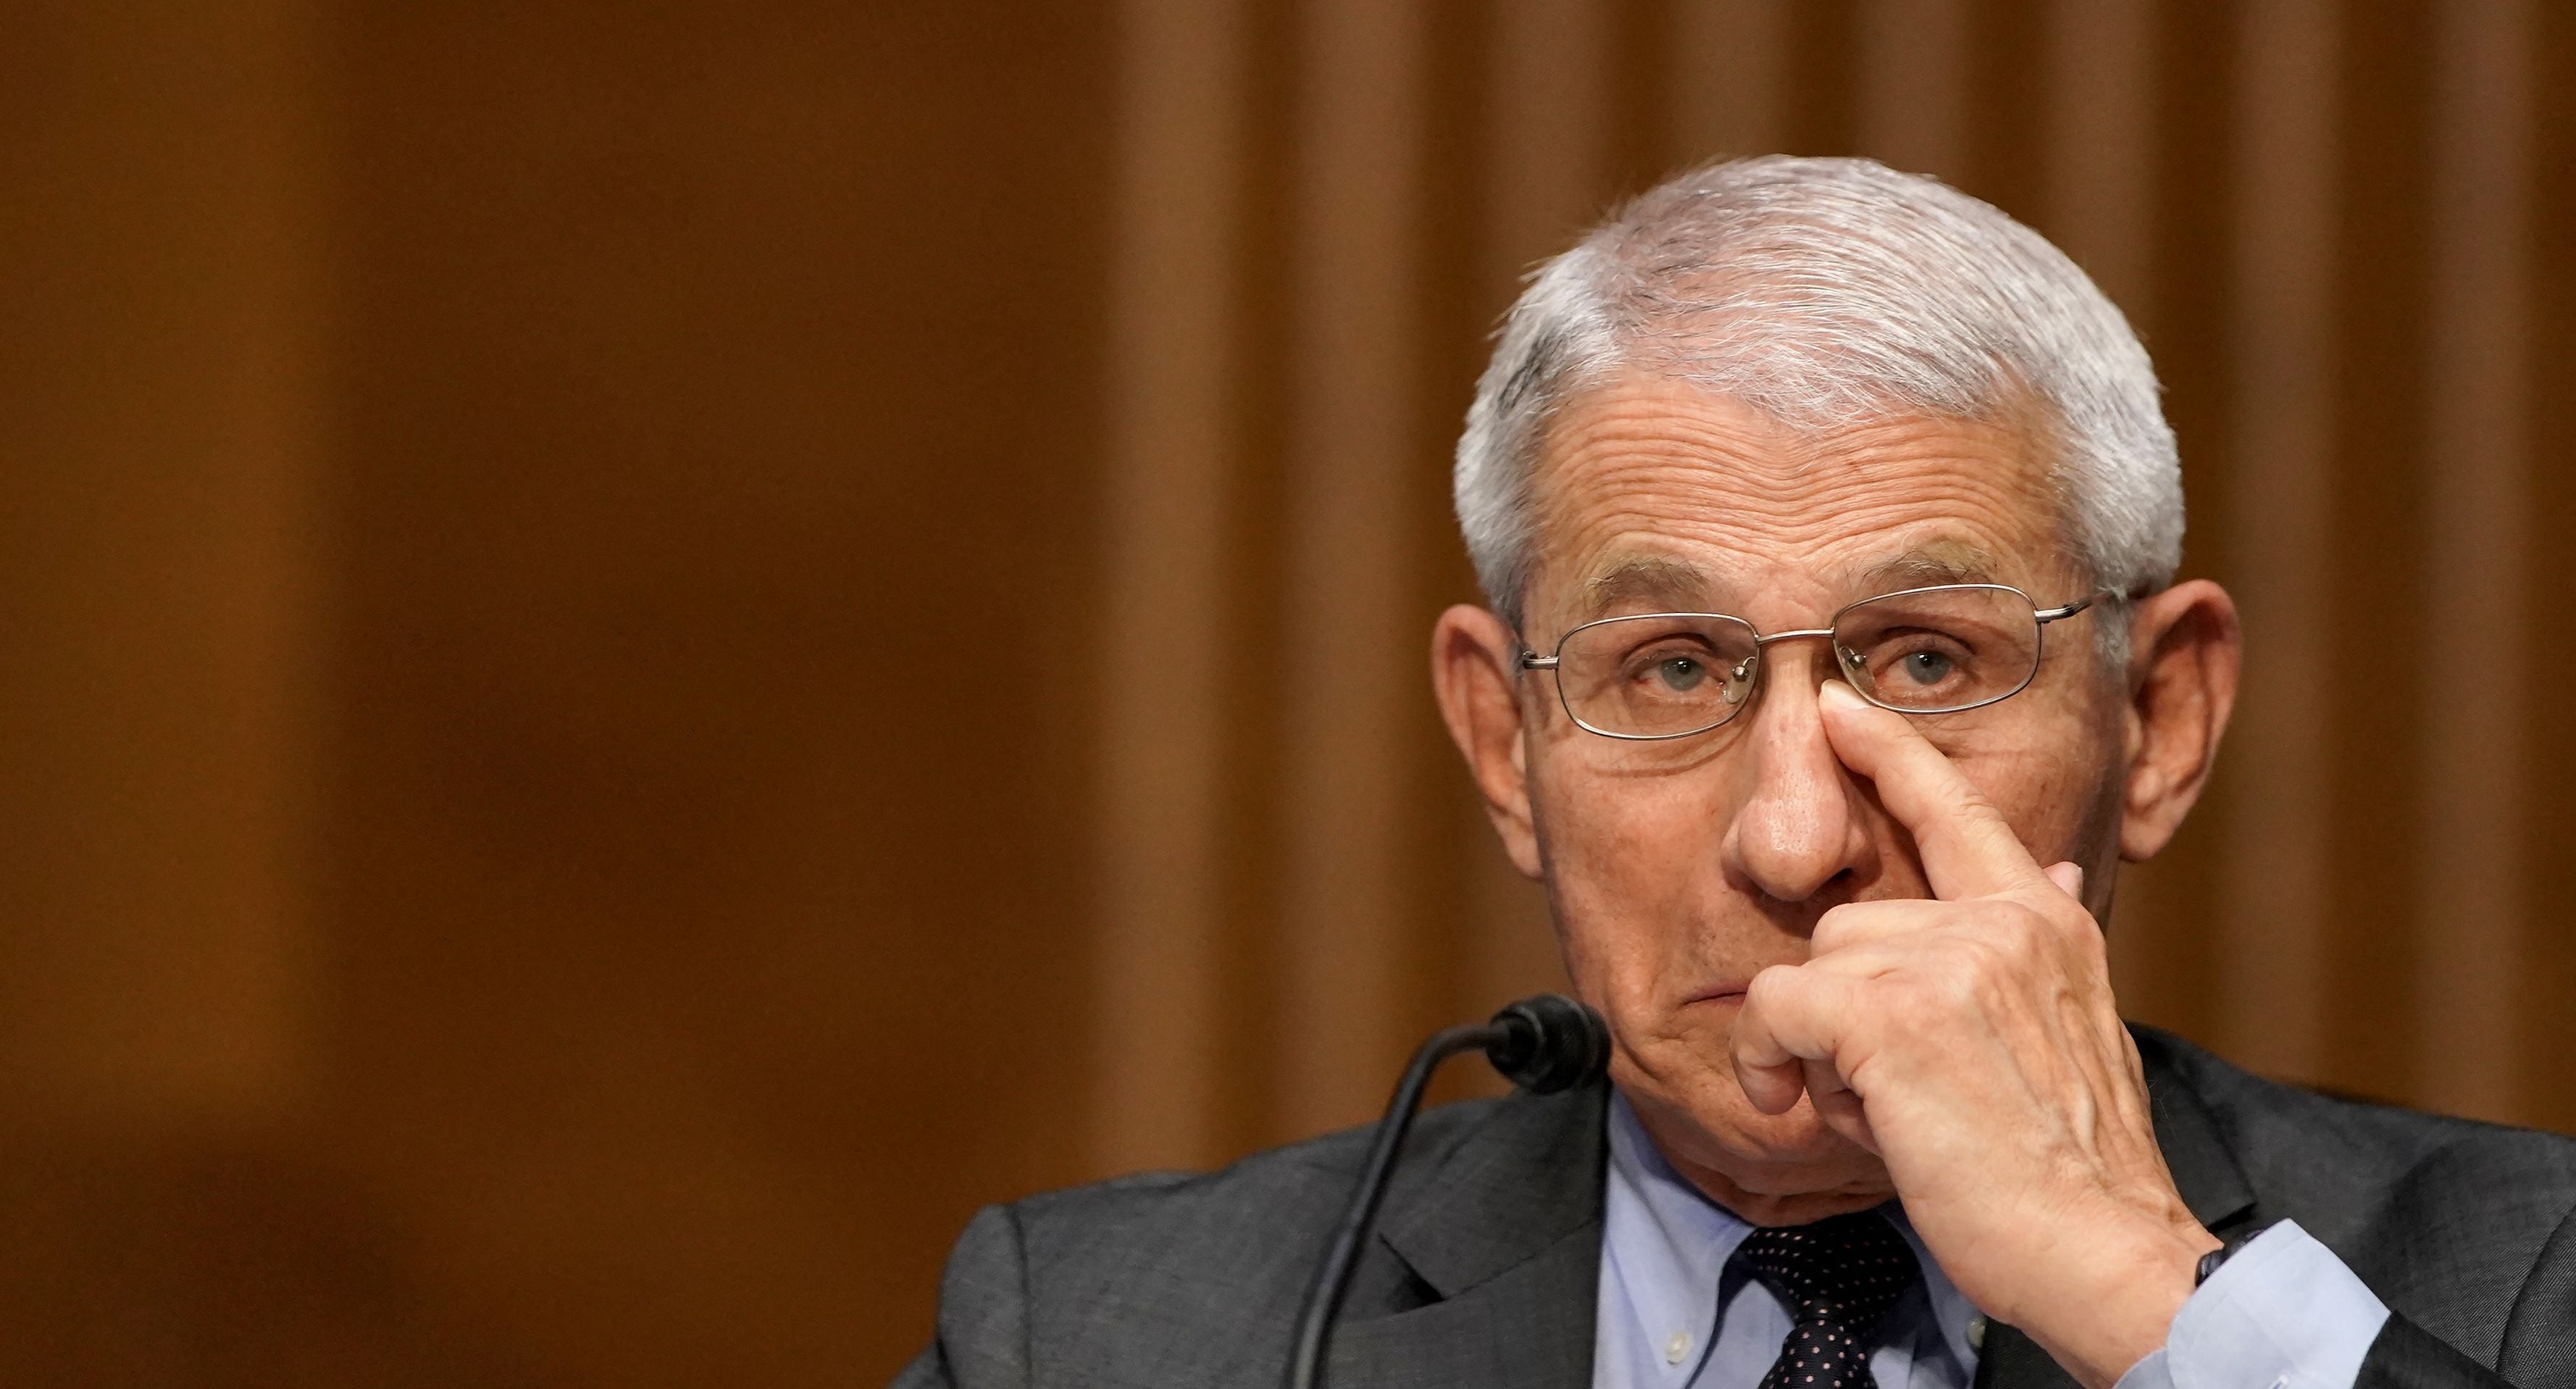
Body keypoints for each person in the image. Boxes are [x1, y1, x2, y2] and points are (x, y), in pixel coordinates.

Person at [896, 157, 2576, 1389]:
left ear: (2164, 720)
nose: (1791, 837)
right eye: (1671, 669)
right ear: (1503, 743)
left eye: (1926, 658)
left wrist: (2145, 1291)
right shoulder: (1099, 1332)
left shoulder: (2523, 1279)